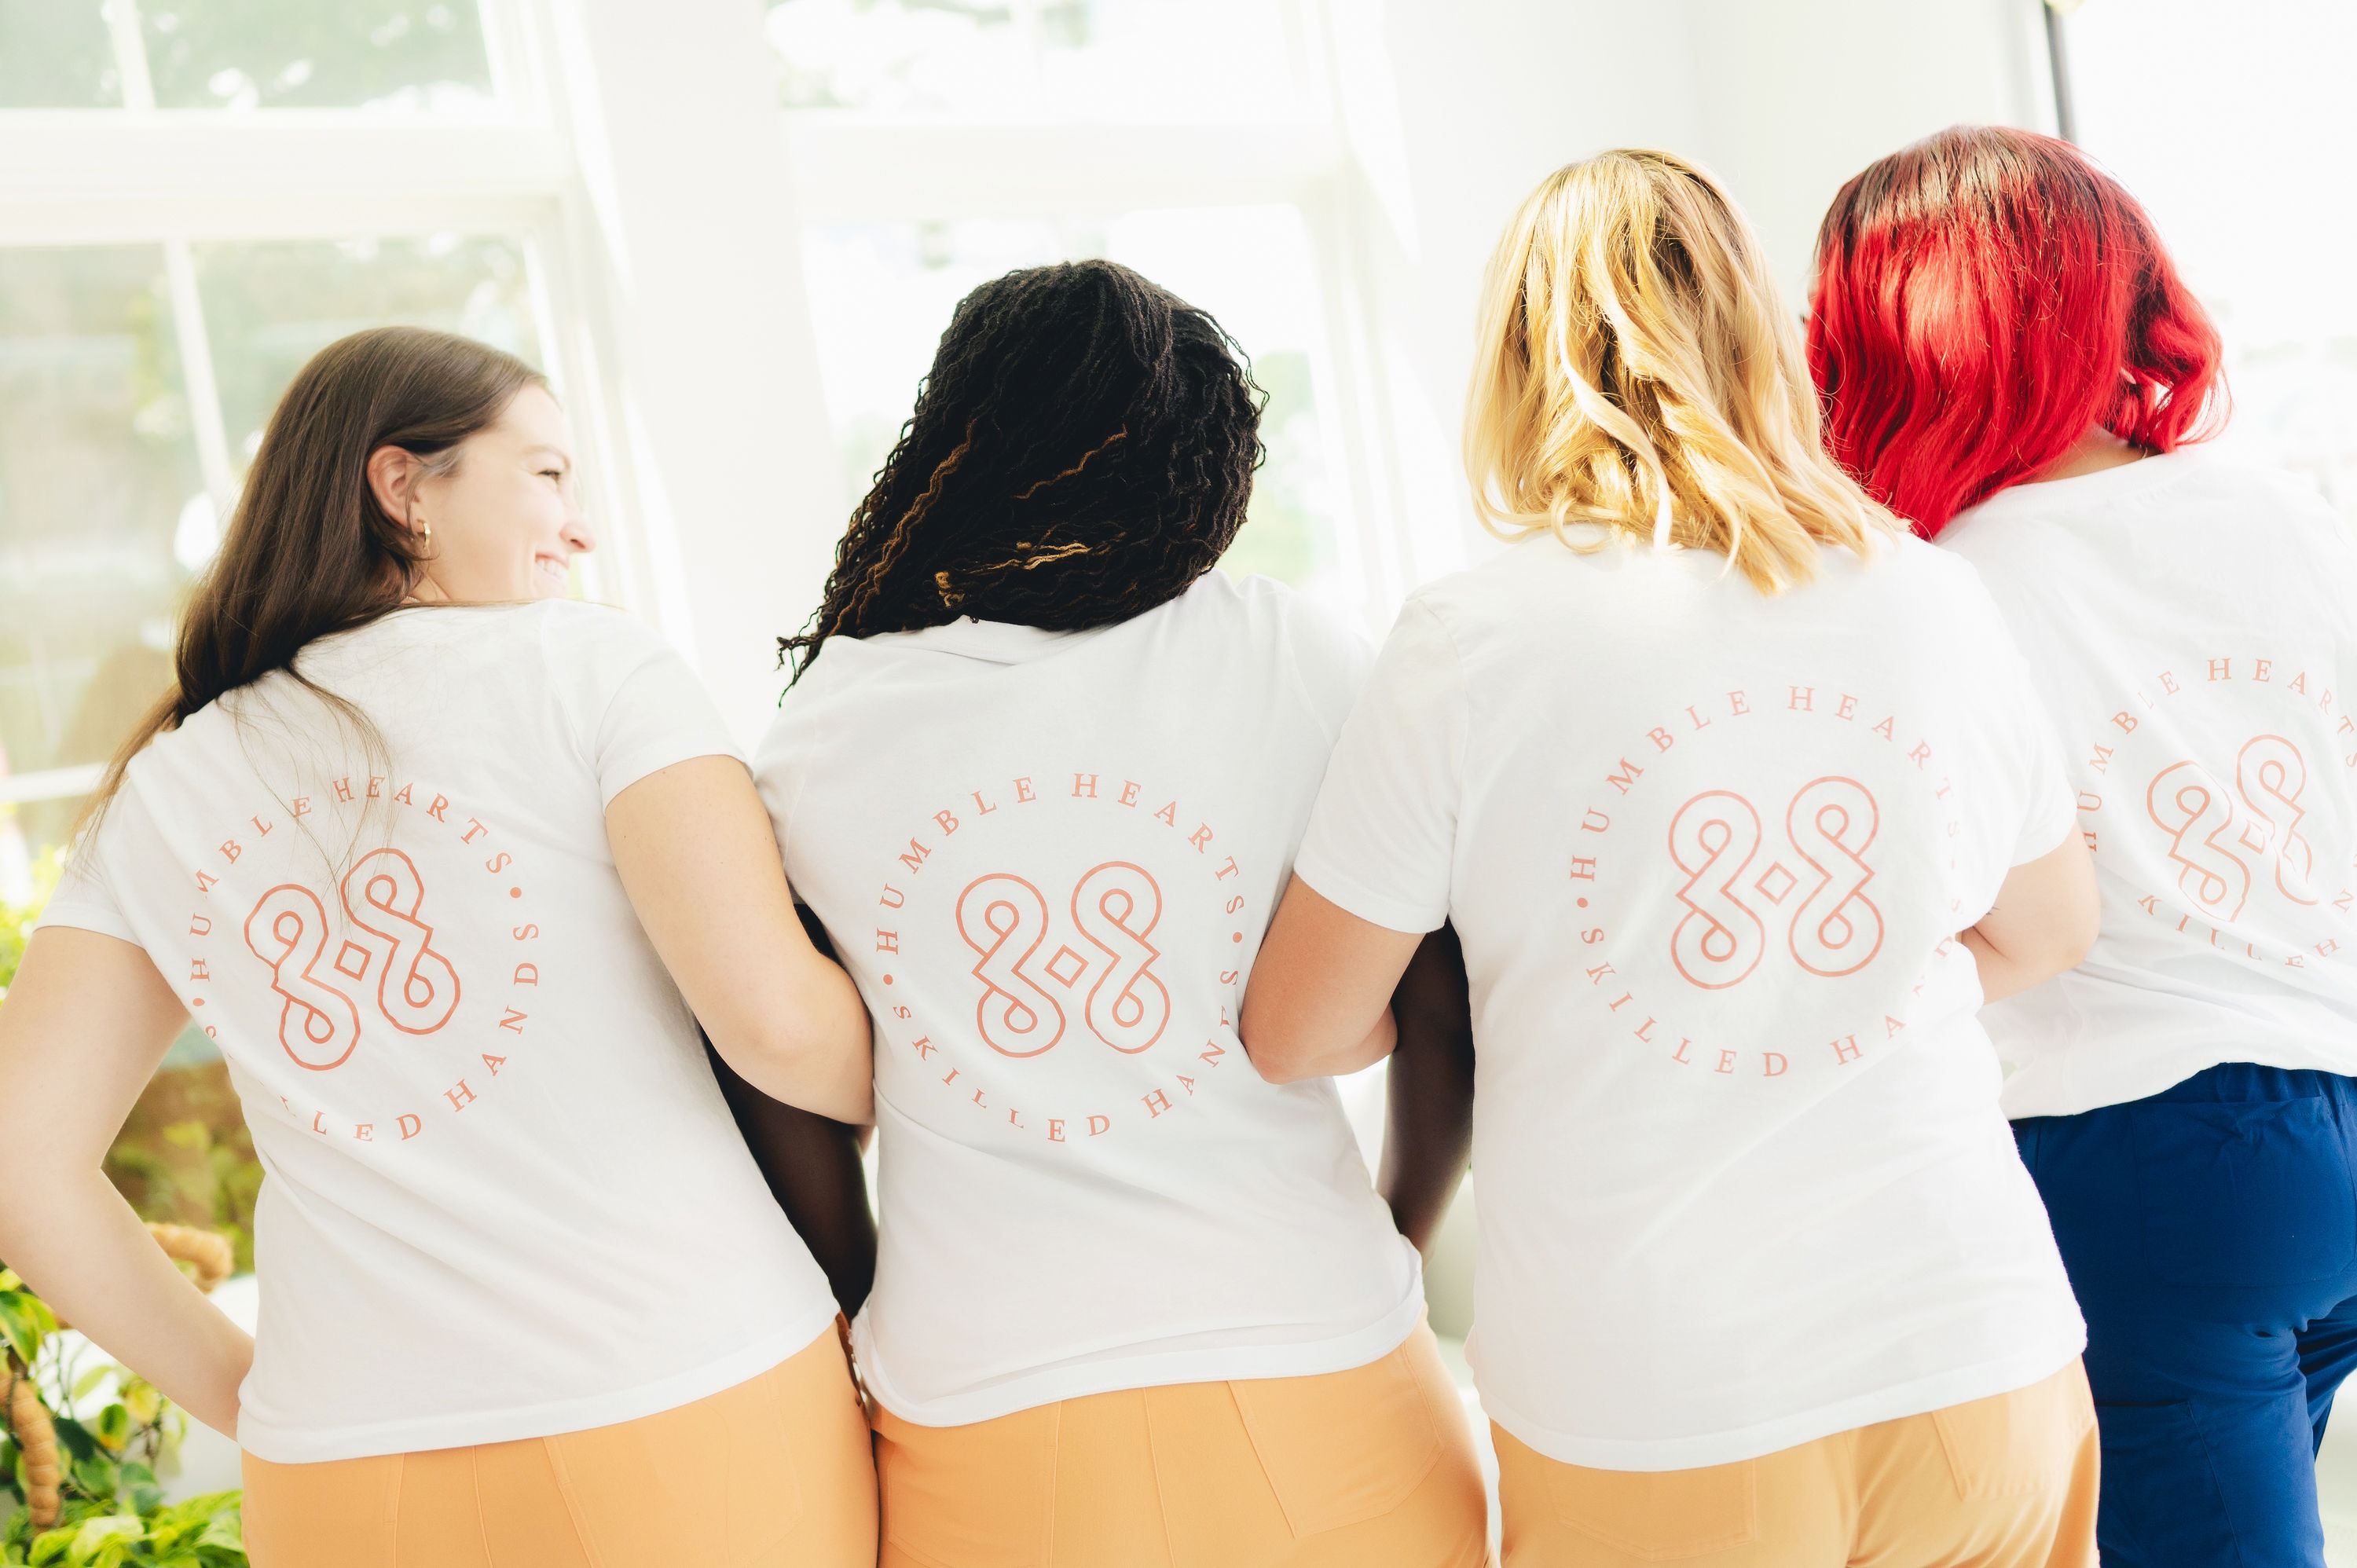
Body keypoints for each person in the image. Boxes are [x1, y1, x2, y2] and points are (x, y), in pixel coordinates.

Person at [1242, 149, 2106, 1568]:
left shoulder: (1470, 642)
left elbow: (1298, 1030)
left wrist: (1569, 992)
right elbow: (2048, 930)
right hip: (1975, 1350)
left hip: (1661, 1396)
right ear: (1764, 336)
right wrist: (1836, 982)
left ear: (1518, 360)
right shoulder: (1931, 594)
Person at [0, 326, 879, 1567]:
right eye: (548, 474)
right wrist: (976, 1088)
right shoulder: (595, 669)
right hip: (683, 1399)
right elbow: (780, 1026)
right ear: (403, 485)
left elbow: (16, 1167)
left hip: (346, 1473)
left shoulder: (167, 780)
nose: (579, 526)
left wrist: (260, 1402)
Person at [753, 258, 1489, 1568]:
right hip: (1319, 1356)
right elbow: (1445, 1004)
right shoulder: (1295, 655)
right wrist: (1395, 1229)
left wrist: (871, 1295)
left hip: (988, 1409)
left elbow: (781, 1072)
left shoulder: (828, 724)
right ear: (1205, 465)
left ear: (955, 442)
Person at [1811, 123, 2357, 1568]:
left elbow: (1921, 907)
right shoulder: (2289, 514)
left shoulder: (1940, 592)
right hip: (2339, 1105)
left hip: (2150, 1144)